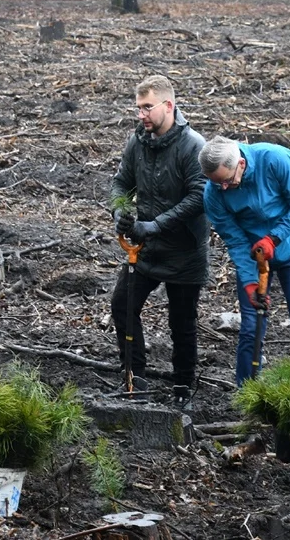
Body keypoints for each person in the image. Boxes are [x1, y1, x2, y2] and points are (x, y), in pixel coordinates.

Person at [110, 75, 210, 409]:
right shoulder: (137, 142)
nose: (142, 115)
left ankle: (184, 384)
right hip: (145, 247)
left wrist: (156, 225)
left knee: (182, 322)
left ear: (168, 106)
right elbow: (121, 182)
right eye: (139, 108)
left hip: (185, 249)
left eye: (148, 107)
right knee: (122, 305)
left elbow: (199, 196)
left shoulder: (192, 145)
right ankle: (133, 373)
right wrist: (121, 213)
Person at [198, 136, 290, 386]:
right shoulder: (213, 193)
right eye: (216, 183)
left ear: (242, 164)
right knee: (251, 327)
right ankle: (247, 392)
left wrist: (274, 238)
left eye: (226, 181)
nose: (222, 188)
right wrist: (249, 281)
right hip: (253, 257)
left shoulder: (276, 159)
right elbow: (234, 240)